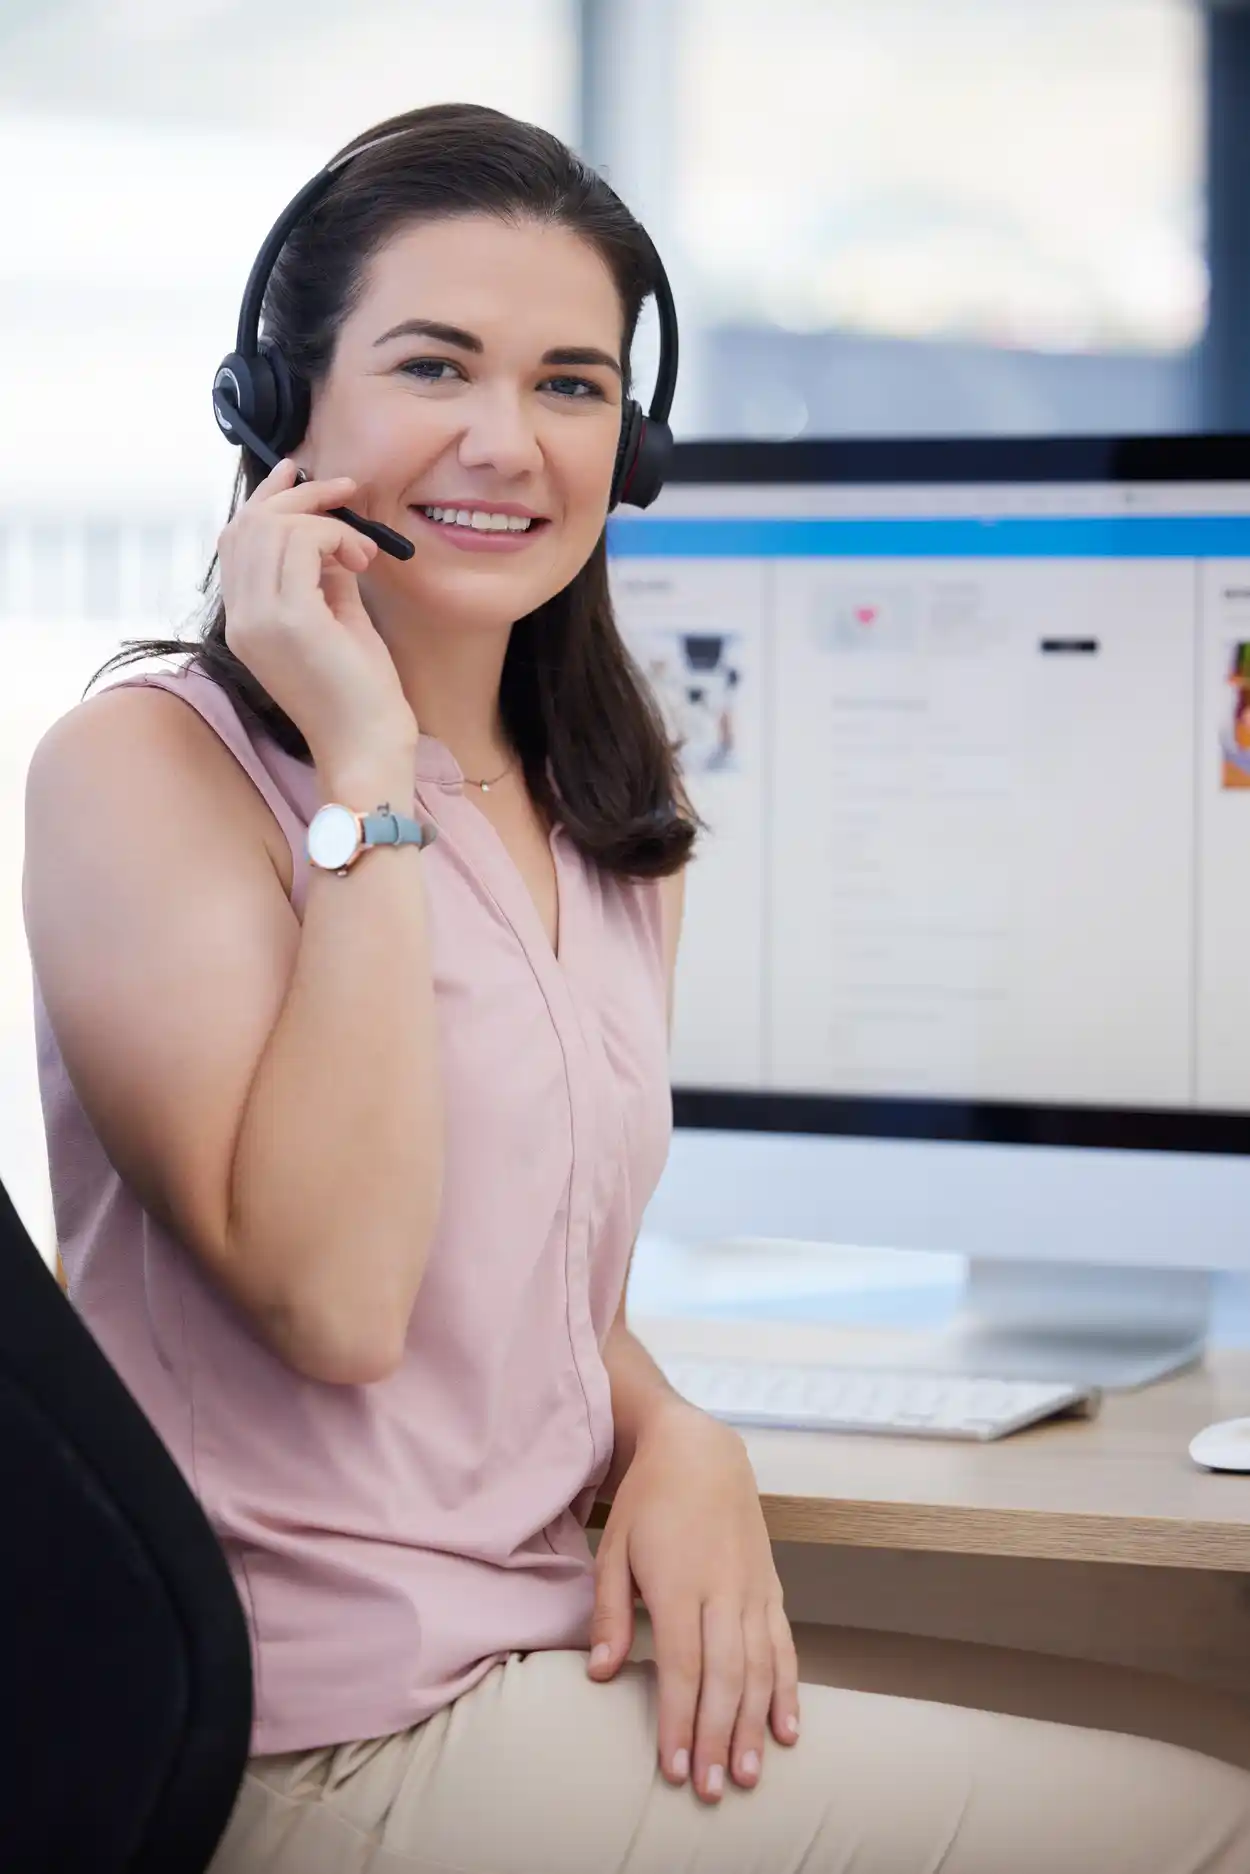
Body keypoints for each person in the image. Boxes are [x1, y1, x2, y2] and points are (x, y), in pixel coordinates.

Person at [23, 102, 1250, 1874]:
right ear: (275, 407)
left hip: (524, 1635)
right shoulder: (147, 773)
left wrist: (676, 1427)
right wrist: (365, 759)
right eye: (434, 363)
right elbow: (343, 1299)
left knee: (1204, 1715)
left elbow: (526, 1280)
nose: (506, 442)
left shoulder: (597, 800)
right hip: (303, 1727)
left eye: (574, 384)